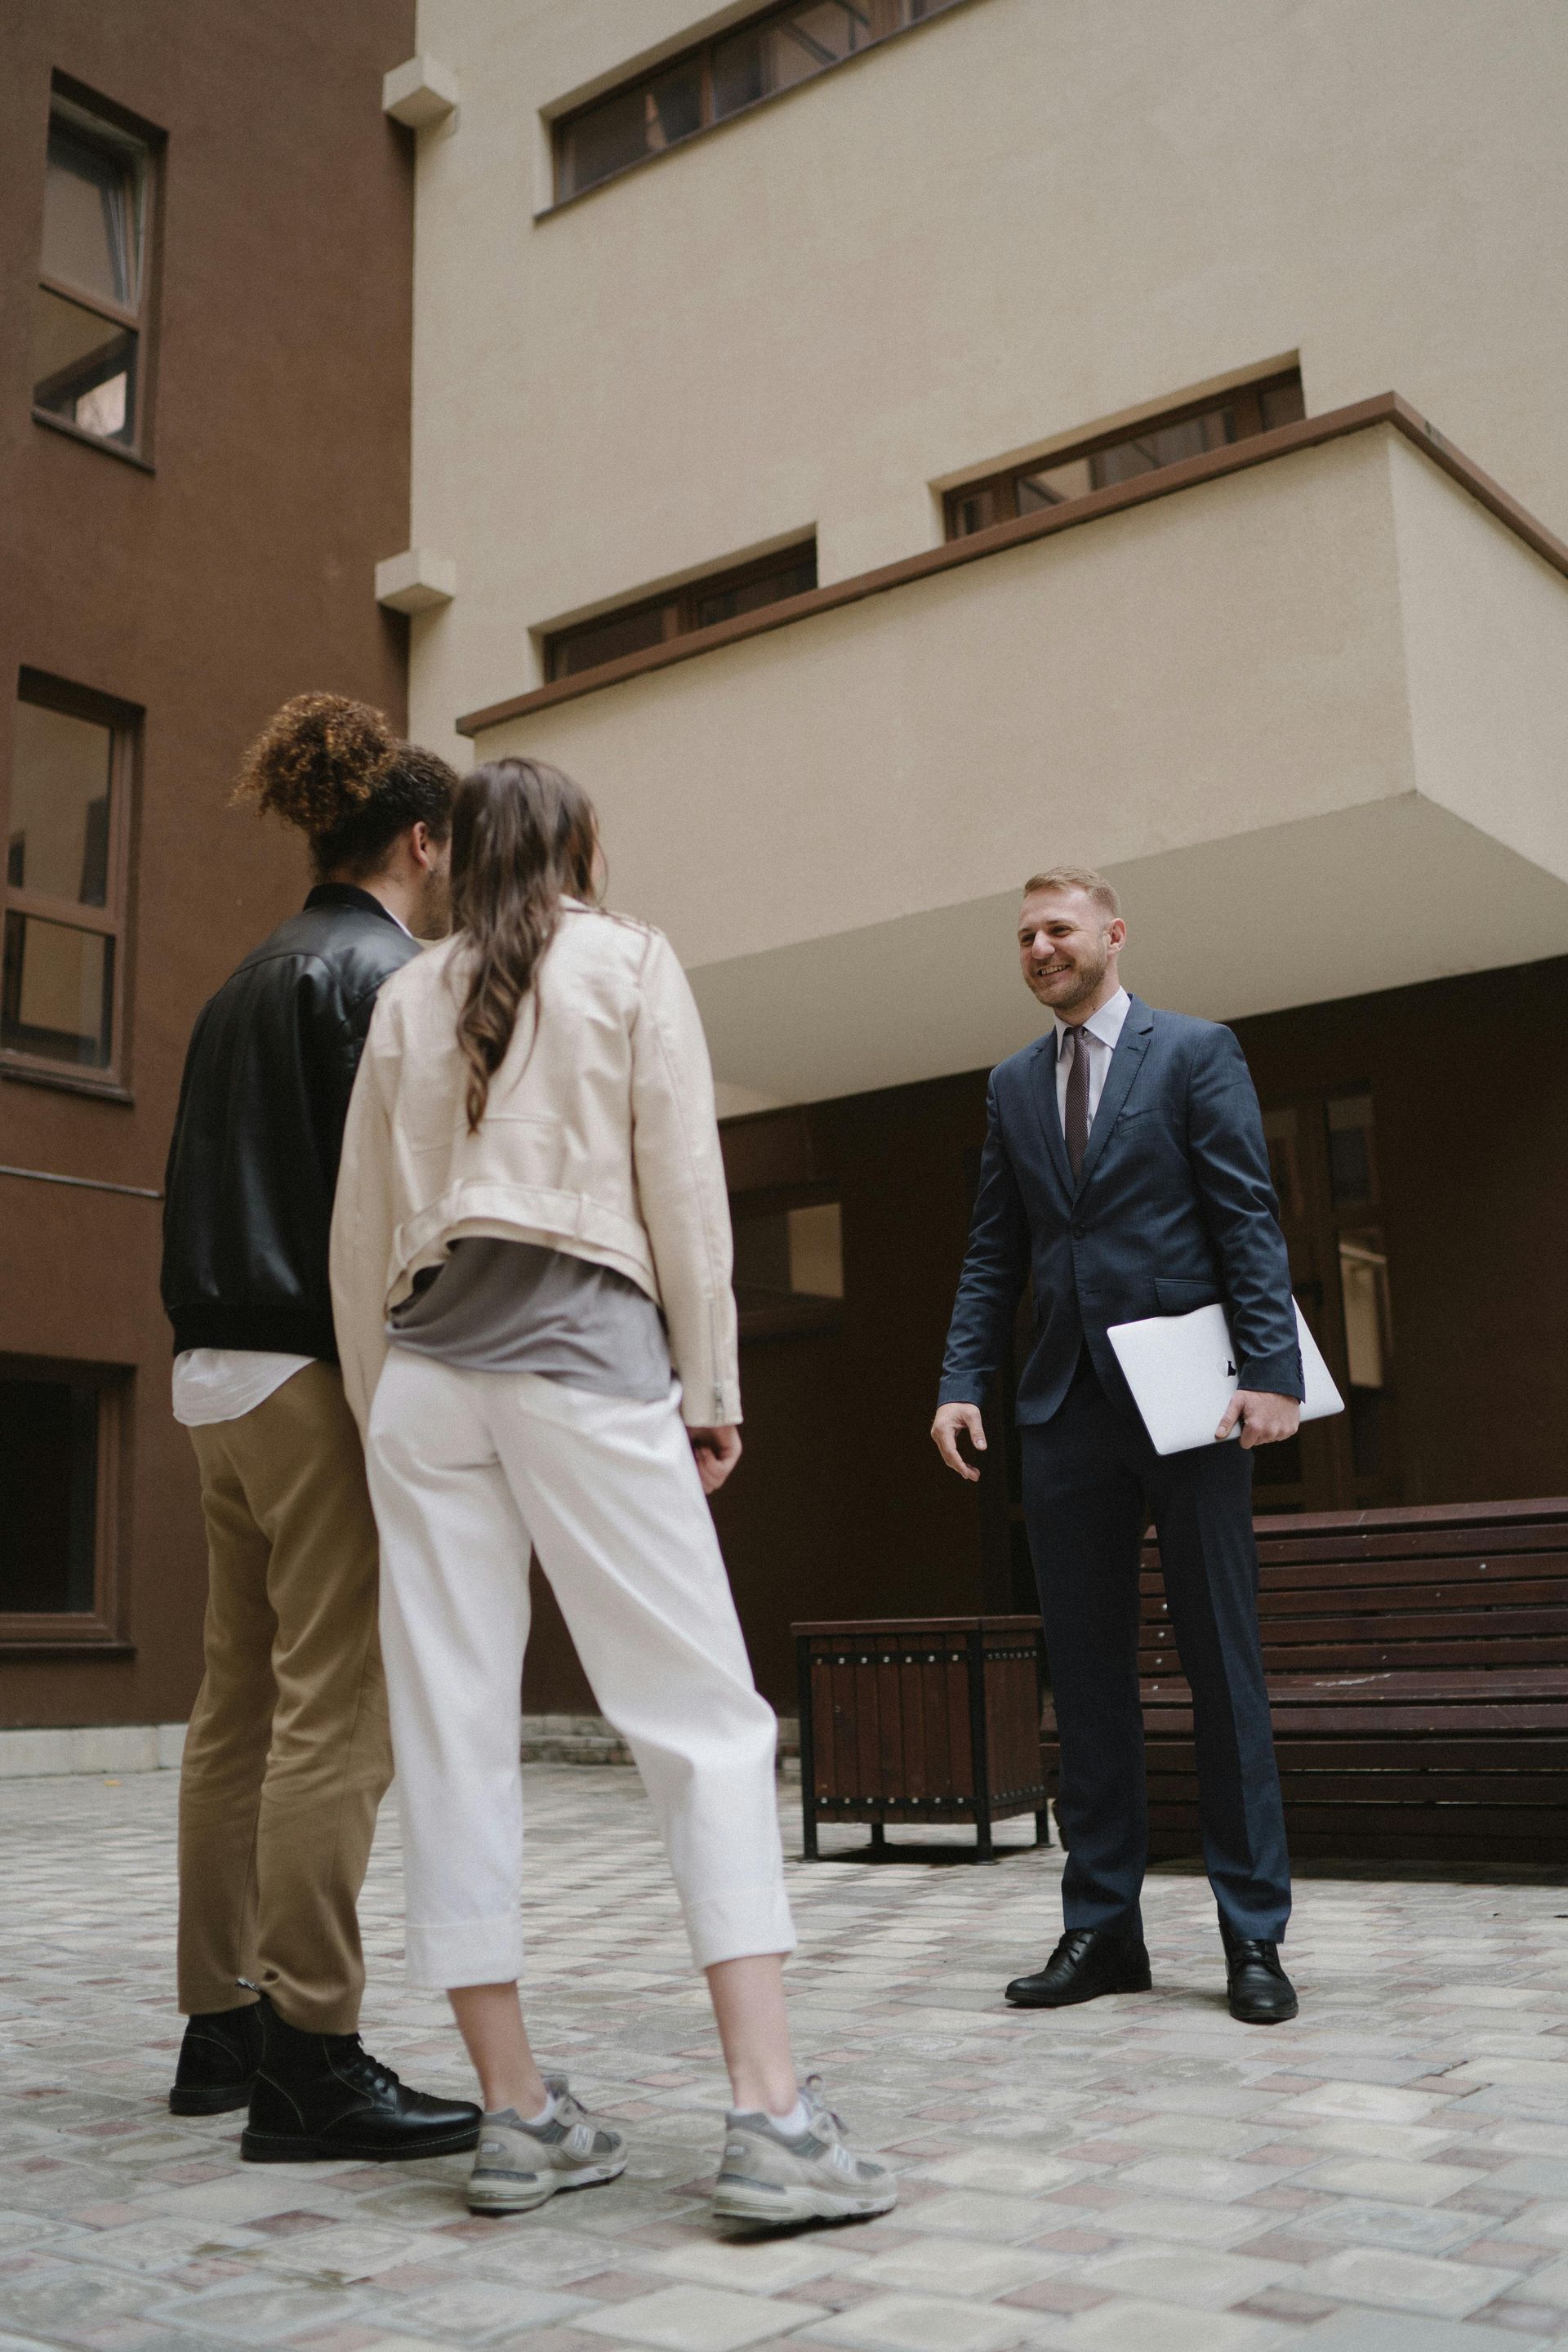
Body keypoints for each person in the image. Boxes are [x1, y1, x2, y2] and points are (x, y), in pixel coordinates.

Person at [330, 754, 896, 2223]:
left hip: (423, 1379)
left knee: (451, 1732)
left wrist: (376, 1406)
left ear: (453, 859)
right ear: (580, 849)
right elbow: (685, 1192)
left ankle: (516, 2117)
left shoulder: (405, 995)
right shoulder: (628, 960)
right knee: (702, 1722)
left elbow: (357, 1235)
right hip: (584, 1361)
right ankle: (772, 2117)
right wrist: (709, 1387)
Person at [161, 693, 481, 2159]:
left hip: (209, 1375)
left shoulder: (241, 981)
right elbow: (411, 1212)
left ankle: (218, 2029)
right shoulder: (385, 979)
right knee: (332, 1716)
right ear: (421, 838)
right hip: (309, 1376)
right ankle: (312, 2052)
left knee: (234, 1710)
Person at [931, 866, 1303, 2026]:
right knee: (1086, 1684)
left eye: (1060, 929)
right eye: (1026, 934)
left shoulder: (1195, 1053)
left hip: (1191, 1405)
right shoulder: (1010, 1086)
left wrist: (1274, 1374)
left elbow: (1244, 1213)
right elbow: (998, 1248)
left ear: (1113, 936)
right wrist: (957, 1382)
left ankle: (1253, 1938)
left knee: (1222, 1673)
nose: (1040, 947)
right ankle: (1102, 1932)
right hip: (1064, 1415)